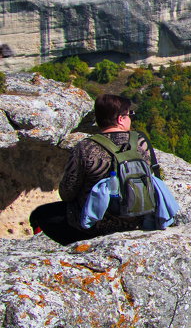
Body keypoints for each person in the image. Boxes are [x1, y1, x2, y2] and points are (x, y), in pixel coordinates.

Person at [30, 94, 162, 245]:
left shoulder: (84, 147)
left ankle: (74, 250)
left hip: (96, 226)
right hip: (139, 219)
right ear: (120, 119)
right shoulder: (141, 141)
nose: (130, 119)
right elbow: (155, 177)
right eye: (129, 115)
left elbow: (67, 193)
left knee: (39, 214)